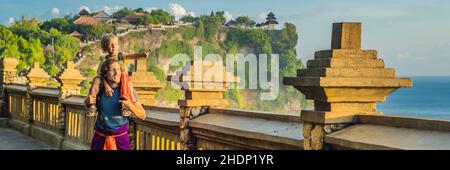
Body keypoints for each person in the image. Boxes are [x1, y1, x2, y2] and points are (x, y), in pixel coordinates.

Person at [85, 34, 151, 117]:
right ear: (106, 47)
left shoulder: (120, 56)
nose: (114, 46)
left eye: (115, 44)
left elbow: (132, 56)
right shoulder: (105, 61)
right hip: (108, 82)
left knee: (129, 86)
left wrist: (142, 55)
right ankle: (92, 105)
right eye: (111, 45)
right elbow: (101, 75)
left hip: (123, 80)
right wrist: (106, 86)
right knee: (96, 79)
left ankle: (126, 108)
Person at [87, 59, 146, 150]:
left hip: (121, 139)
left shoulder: (128, 89)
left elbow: (143, 115)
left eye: (118, 69)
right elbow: (89, 103)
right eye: (112, 70)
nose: (117, 73)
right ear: (105, 73)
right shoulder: (100, 88)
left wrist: (129, 106)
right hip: (100, 137)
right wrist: (88, 102)